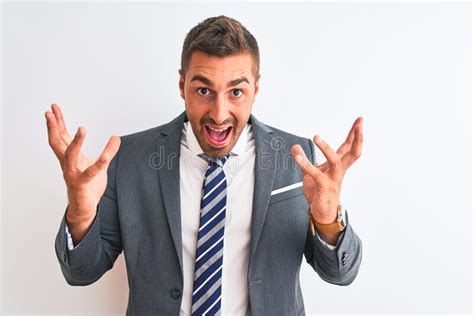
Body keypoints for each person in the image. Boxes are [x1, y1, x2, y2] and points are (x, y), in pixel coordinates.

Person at [46, 15, 363, 315]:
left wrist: (326, 219)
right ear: (182, 85)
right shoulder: (129, 158)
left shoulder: (297, 159)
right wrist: (81, 214)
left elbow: (340, 273)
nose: (219, 112)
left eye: (236, 91)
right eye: (203, 90)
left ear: (256, 88)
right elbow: (81, 273)